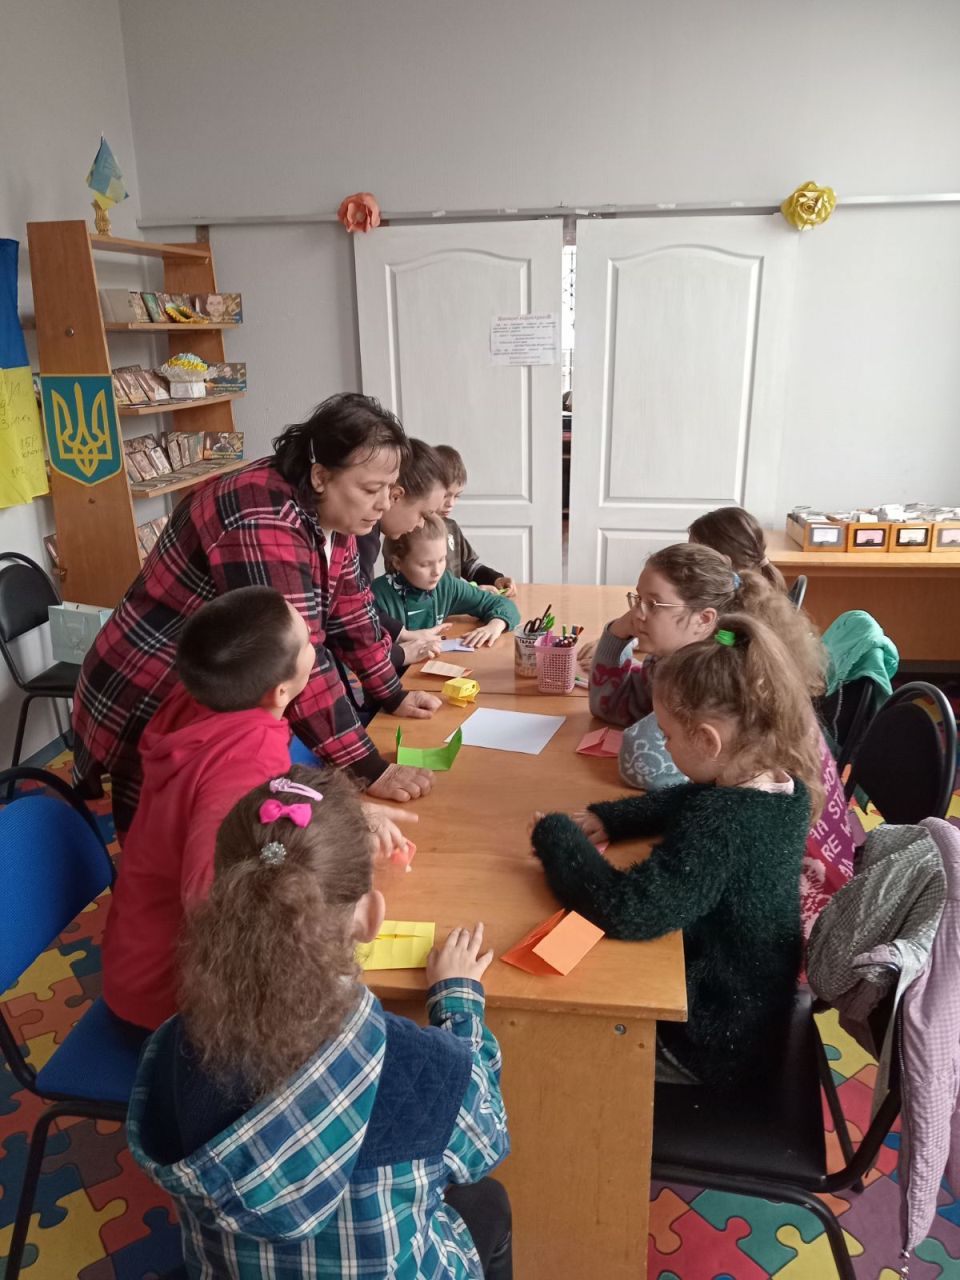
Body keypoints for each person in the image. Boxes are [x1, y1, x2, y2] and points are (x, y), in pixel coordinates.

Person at [127, 766, 512, 1279]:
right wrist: (458, 1001)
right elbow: (488, 1140)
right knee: (489, 1203)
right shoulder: (424, 1066)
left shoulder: (176, 1043)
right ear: (371, 917)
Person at [72, 393, 439, 839]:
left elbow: (352, 611)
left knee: (196, 829)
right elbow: (294, 656)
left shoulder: (330, 510)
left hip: (208, 690)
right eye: (370, 489)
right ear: (321, 475)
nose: (383, 504)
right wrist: (368, 768)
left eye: (390, 489)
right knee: (165, 834)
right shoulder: (262, 516)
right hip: (149, 687)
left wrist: (391, 693)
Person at [101, 588, 416, 1035]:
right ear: (281, 690)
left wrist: (341, 817)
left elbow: (244, 809)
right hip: (170, 1005)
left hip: (132, 963)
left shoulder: (207, 697)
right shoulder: (244, 761)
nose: (315, 641)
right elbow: (215, 897)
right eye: (307, 641)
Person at [532, 614, 821, 1086]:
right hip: (752, 1009)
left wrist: (555, 836)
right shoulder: (782, 788)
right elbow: (691, 799)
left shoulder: (722, 826)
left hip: (710, 1039)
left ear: (707, 740)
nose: (663, 744)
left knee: (549, 1044)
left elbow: (627, 910)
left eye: (667, 734)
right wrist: (614, 818)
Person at [590, 543, 853, 937]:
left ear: (704, 619)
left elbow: (642, 764)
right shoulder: (685, 660)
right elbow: (611, 708)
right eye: (636, 600)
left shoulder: (716, 685)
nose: (638, 614)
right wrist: (617, 633)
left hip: (797, 908)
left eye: (653, 604)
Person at [356, 436, 451, 668]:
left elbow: (360, 603)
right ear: (396, 496)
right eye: (423, 514)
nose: (421, 525)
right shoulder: (362, 535)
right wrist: (400, 654)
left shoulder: (370, 534)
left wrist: (404, 635)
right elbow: (354, 615)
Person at [374, 515, 521, 649]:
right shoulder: (375, 596)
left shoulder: (446, 585)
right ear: (397, 563)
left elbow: (503, 604)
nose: (437, 571)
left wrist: (495, 626)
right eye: (425, 564)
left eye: (441, 559)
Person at [435, 444, 517, 598]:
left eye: (457, 496)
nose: (451, 503)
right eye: (446, 495)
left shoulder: (451, 527)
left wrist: (495, 579)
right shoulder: (414, 531)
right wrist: (472, 594)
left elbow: (469, 567)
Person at [688, 505, 787, 592]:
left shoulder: (731, 602)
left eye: (695, 554)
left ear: (725, 559)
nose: (689, 559)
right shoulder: (761, 591)